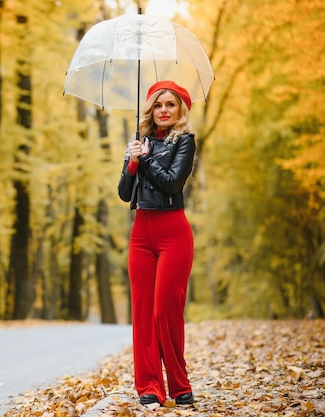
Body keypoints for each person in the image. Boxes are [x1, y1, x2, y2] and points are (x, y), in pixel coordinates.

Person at [118, 80, 196, 407]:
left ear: (179, 110)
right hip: (141, 233)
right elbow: (124, 193)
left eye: (170, 105)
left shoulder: (185, 142)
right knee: (143, 313)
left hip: (172, 231)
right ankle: (149, 386)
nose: (164, 110)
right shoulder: (140, 142)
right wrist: (132, 161)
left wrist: (146, 159)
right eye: (159, 105)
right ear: (151, 109)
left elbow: (172, 182)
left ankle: (179, 385)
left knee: (166, 310)